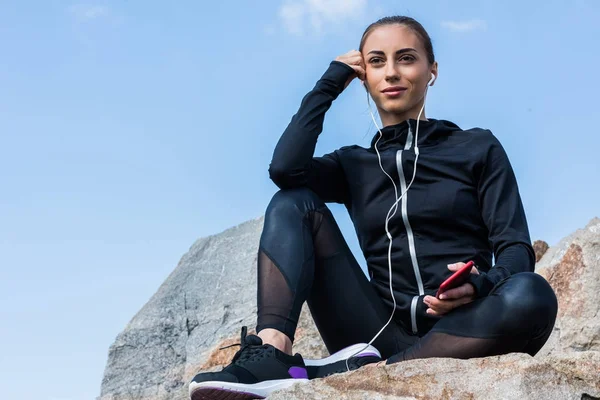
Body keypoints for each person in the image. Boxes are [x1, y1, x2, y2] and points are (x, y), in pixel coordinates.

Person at [189, 15, 558, 400]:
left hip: (463, 328)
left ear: (431, 70)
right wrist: (330, 82)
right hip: (373, 334)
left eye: (406, 58)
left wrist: (480, 284)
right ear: (363, 75)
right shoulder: (353, 164)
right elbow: (285, 169)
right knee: (292, 202)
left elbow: (516, 249)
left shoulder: (477, 147)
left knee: (531, 294)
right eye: (377, 61)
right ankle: (272, 355)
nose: (392, 72)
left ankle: (363, 374)